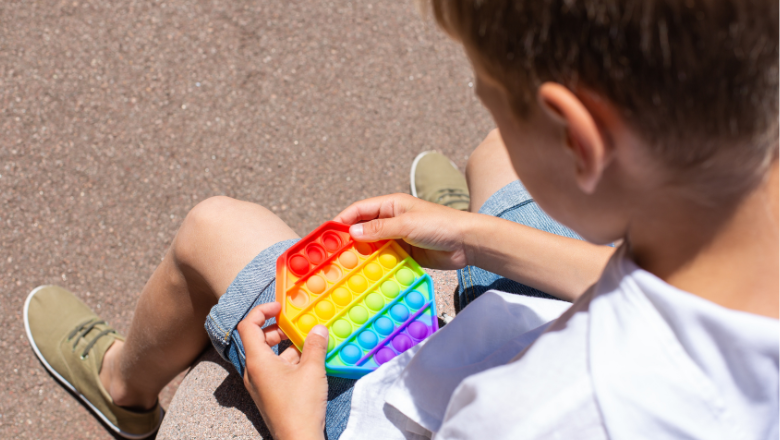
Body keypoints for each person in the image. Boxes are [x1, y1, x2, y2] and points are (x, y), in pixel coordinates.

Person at [24, 0, 778, 439]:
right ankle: (478, 232)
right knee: (496, 161)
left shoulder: (558, 409)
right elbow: (642, 289)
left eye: (491, 94)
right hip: (541, 316)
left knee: (215, 227)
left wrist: (294, 423)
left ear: (580, 139)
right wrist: (475, 237)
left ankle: (126, 388)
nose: (491, 106)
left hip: (427, 401)